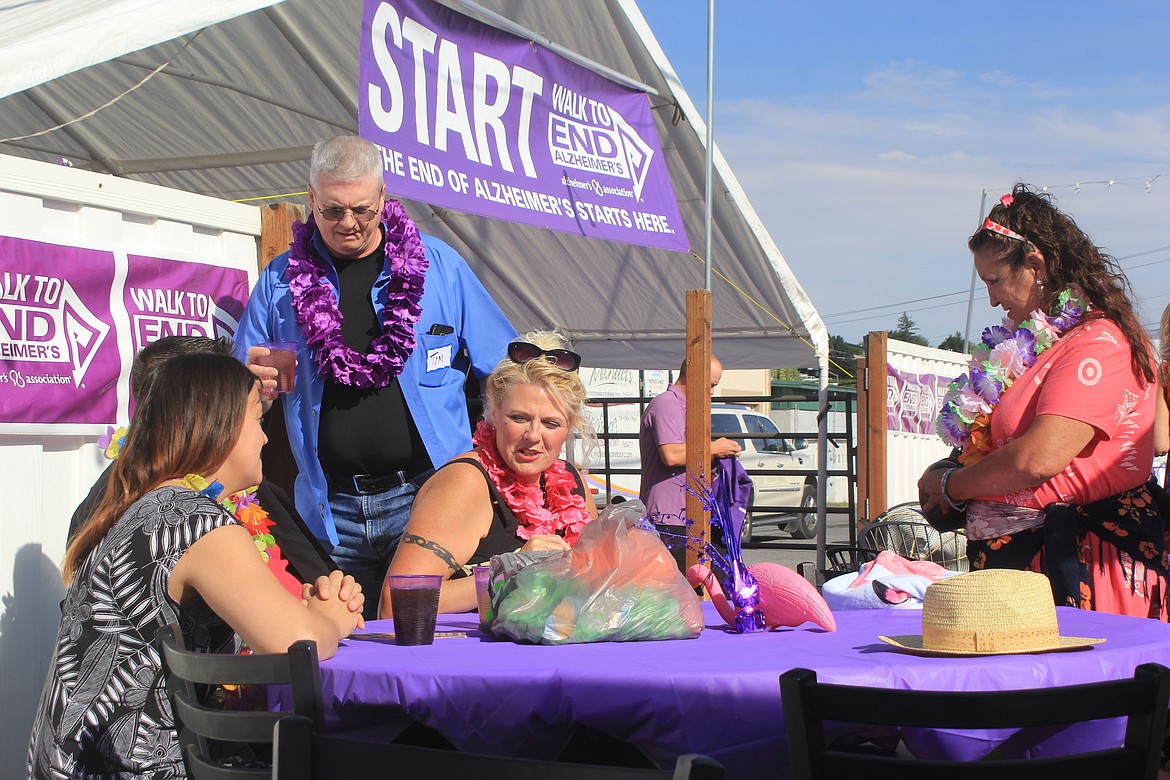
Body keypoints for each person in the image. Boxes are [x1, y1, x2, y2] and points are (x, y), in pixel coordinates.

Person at [28, 353, 364, 779]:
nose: (265, 439)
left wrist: (305, 609)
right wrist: (331, 618)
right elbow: (297, 646)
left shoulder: (154, 505)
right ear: (218, 428)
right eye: (256, 422)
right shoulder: (193, 519)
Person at [235, 136, 516, 618]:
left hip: (429, 497)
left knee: (432, 647)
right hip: (331, 510)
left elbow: (508, 371)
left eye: (363, 210)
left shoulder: (440, 267)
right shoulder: (280, 283)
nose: (349, 223)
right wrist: (251, 384)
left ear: (384, 198)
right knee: (344, 651)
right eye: (333, 210)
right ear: (311, 201)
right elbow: (237, 393)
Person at [919, 184, 1165, 620]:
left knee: (1078, 686)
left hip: (1082, 565)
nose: (992, 298)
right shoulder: (1044, 345)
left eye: (995, 281)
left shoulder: (1099, 342)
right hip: (1030, 569)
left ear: (1036, 266)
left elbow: (1039, 457)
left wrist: (951, 487)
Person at [67, 335, 337, 591]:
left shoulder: (227, 477)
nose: (264, 437)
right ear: (197, 414)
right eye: (226, 399)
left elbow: (313, 573)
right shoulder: (179, 513)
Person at [380, 332, 598, 616]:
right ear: (493, 413)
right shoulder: (465, 481)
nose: (533, 435)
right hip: (472, 656)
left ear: (569, 427)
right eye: (518, 418)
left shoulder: (571, 481)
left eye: (550, 423)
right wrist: (510, 568)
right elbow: (395, 603)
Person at [639, 354, 742, 569]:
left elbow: (688, 457)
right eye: (711, 385)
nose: (712, 392)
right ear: (694, 377)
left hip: (685, 514)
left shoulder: (684, 408)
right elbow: (672, 455)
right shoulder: (667, 404)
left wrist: (715, 457)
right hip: (669, 517)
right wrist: (714, 448)